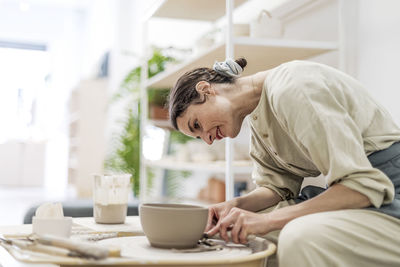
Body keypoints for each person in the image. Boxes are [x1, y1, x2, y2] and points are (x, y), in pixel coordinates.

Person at [168, 58, 400, 267]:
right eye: (198, 137)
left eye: (197, 125)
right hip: (360, 193)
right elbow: (277, 188)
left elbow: (360, 187)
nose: (207, 140)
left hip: (387, 195)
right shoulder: (258, 115)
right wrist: (234, 206)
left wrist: (267, 220)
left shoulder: (293, 87)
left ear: (206, 90)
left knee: (299, 237)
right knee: (233, 235)